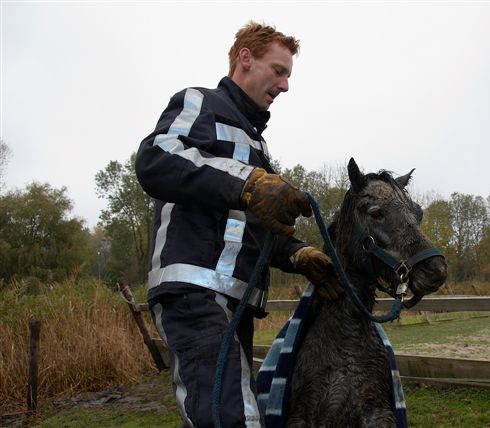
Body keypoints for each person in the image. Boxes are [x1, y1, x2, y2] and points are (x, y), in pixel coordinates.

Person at [135, 21, 341, 428]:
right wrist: (248, 183)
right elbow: (155, 158)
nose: (285, 86)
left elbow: (249, 225)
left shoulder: (257, 145)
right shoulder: (199, 102)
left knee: (216, 411)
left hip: (235, 302)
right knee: (235, 416)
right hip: (195, 292)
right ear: (245, 58)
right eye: (279, 70)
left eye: (288, 75)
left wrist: (297, 252)